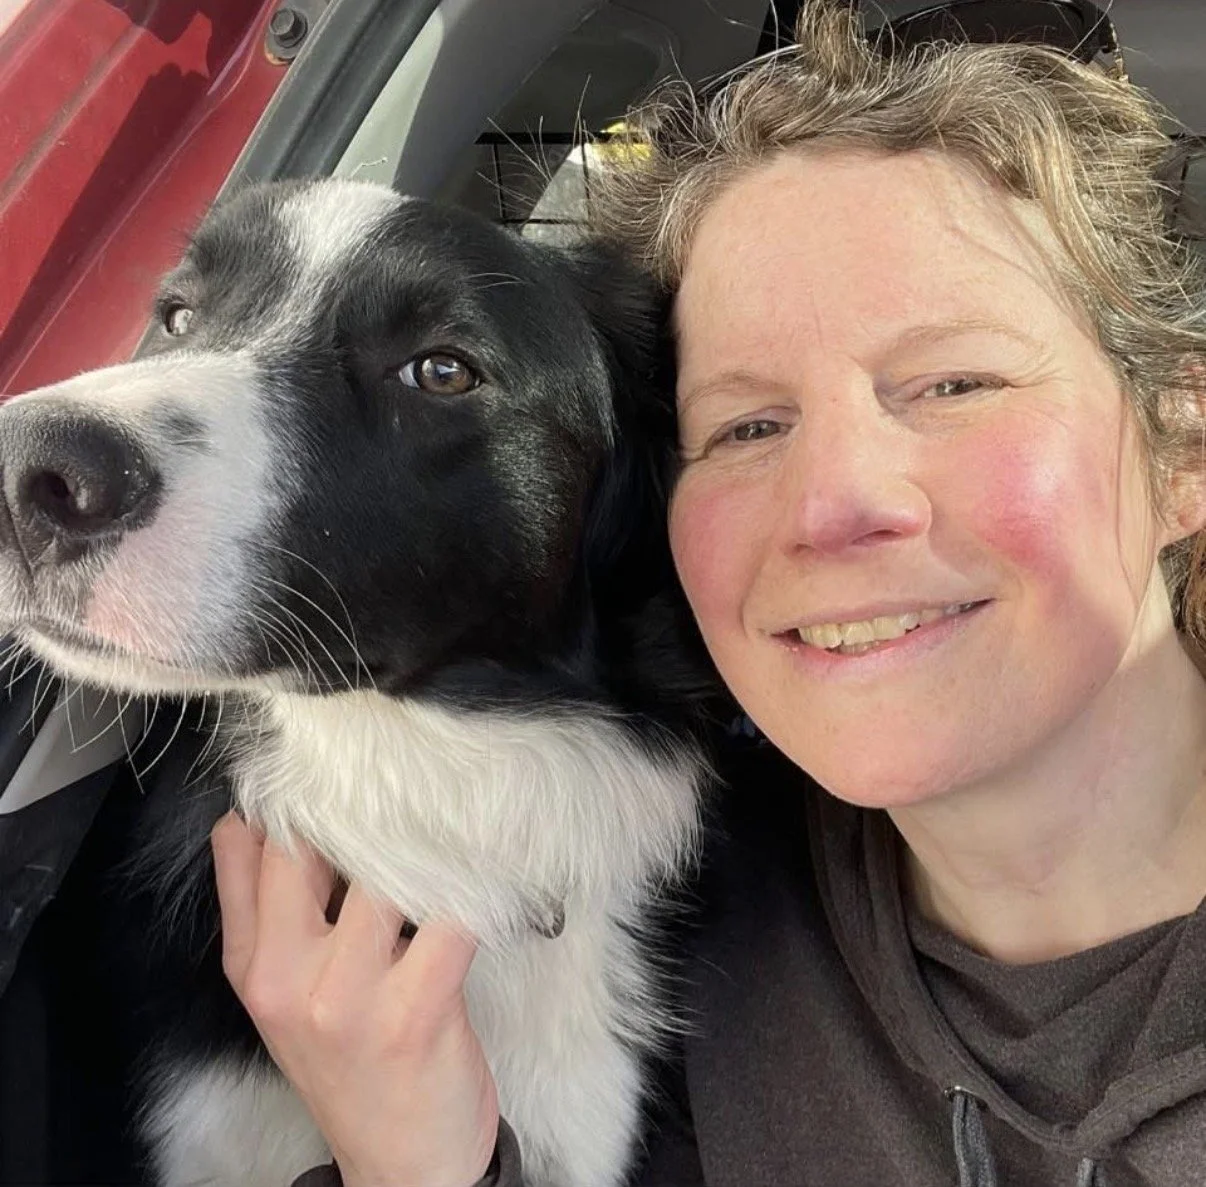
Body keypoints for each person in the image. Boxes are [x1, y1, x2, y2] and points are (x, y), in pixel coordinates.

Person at [213, 4, 1206, 1184]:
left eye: (952, 382)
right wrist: (416, 1162)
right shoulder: (693, 928)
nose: (833, 501)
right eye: (745, 423)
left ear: (1183, 443)